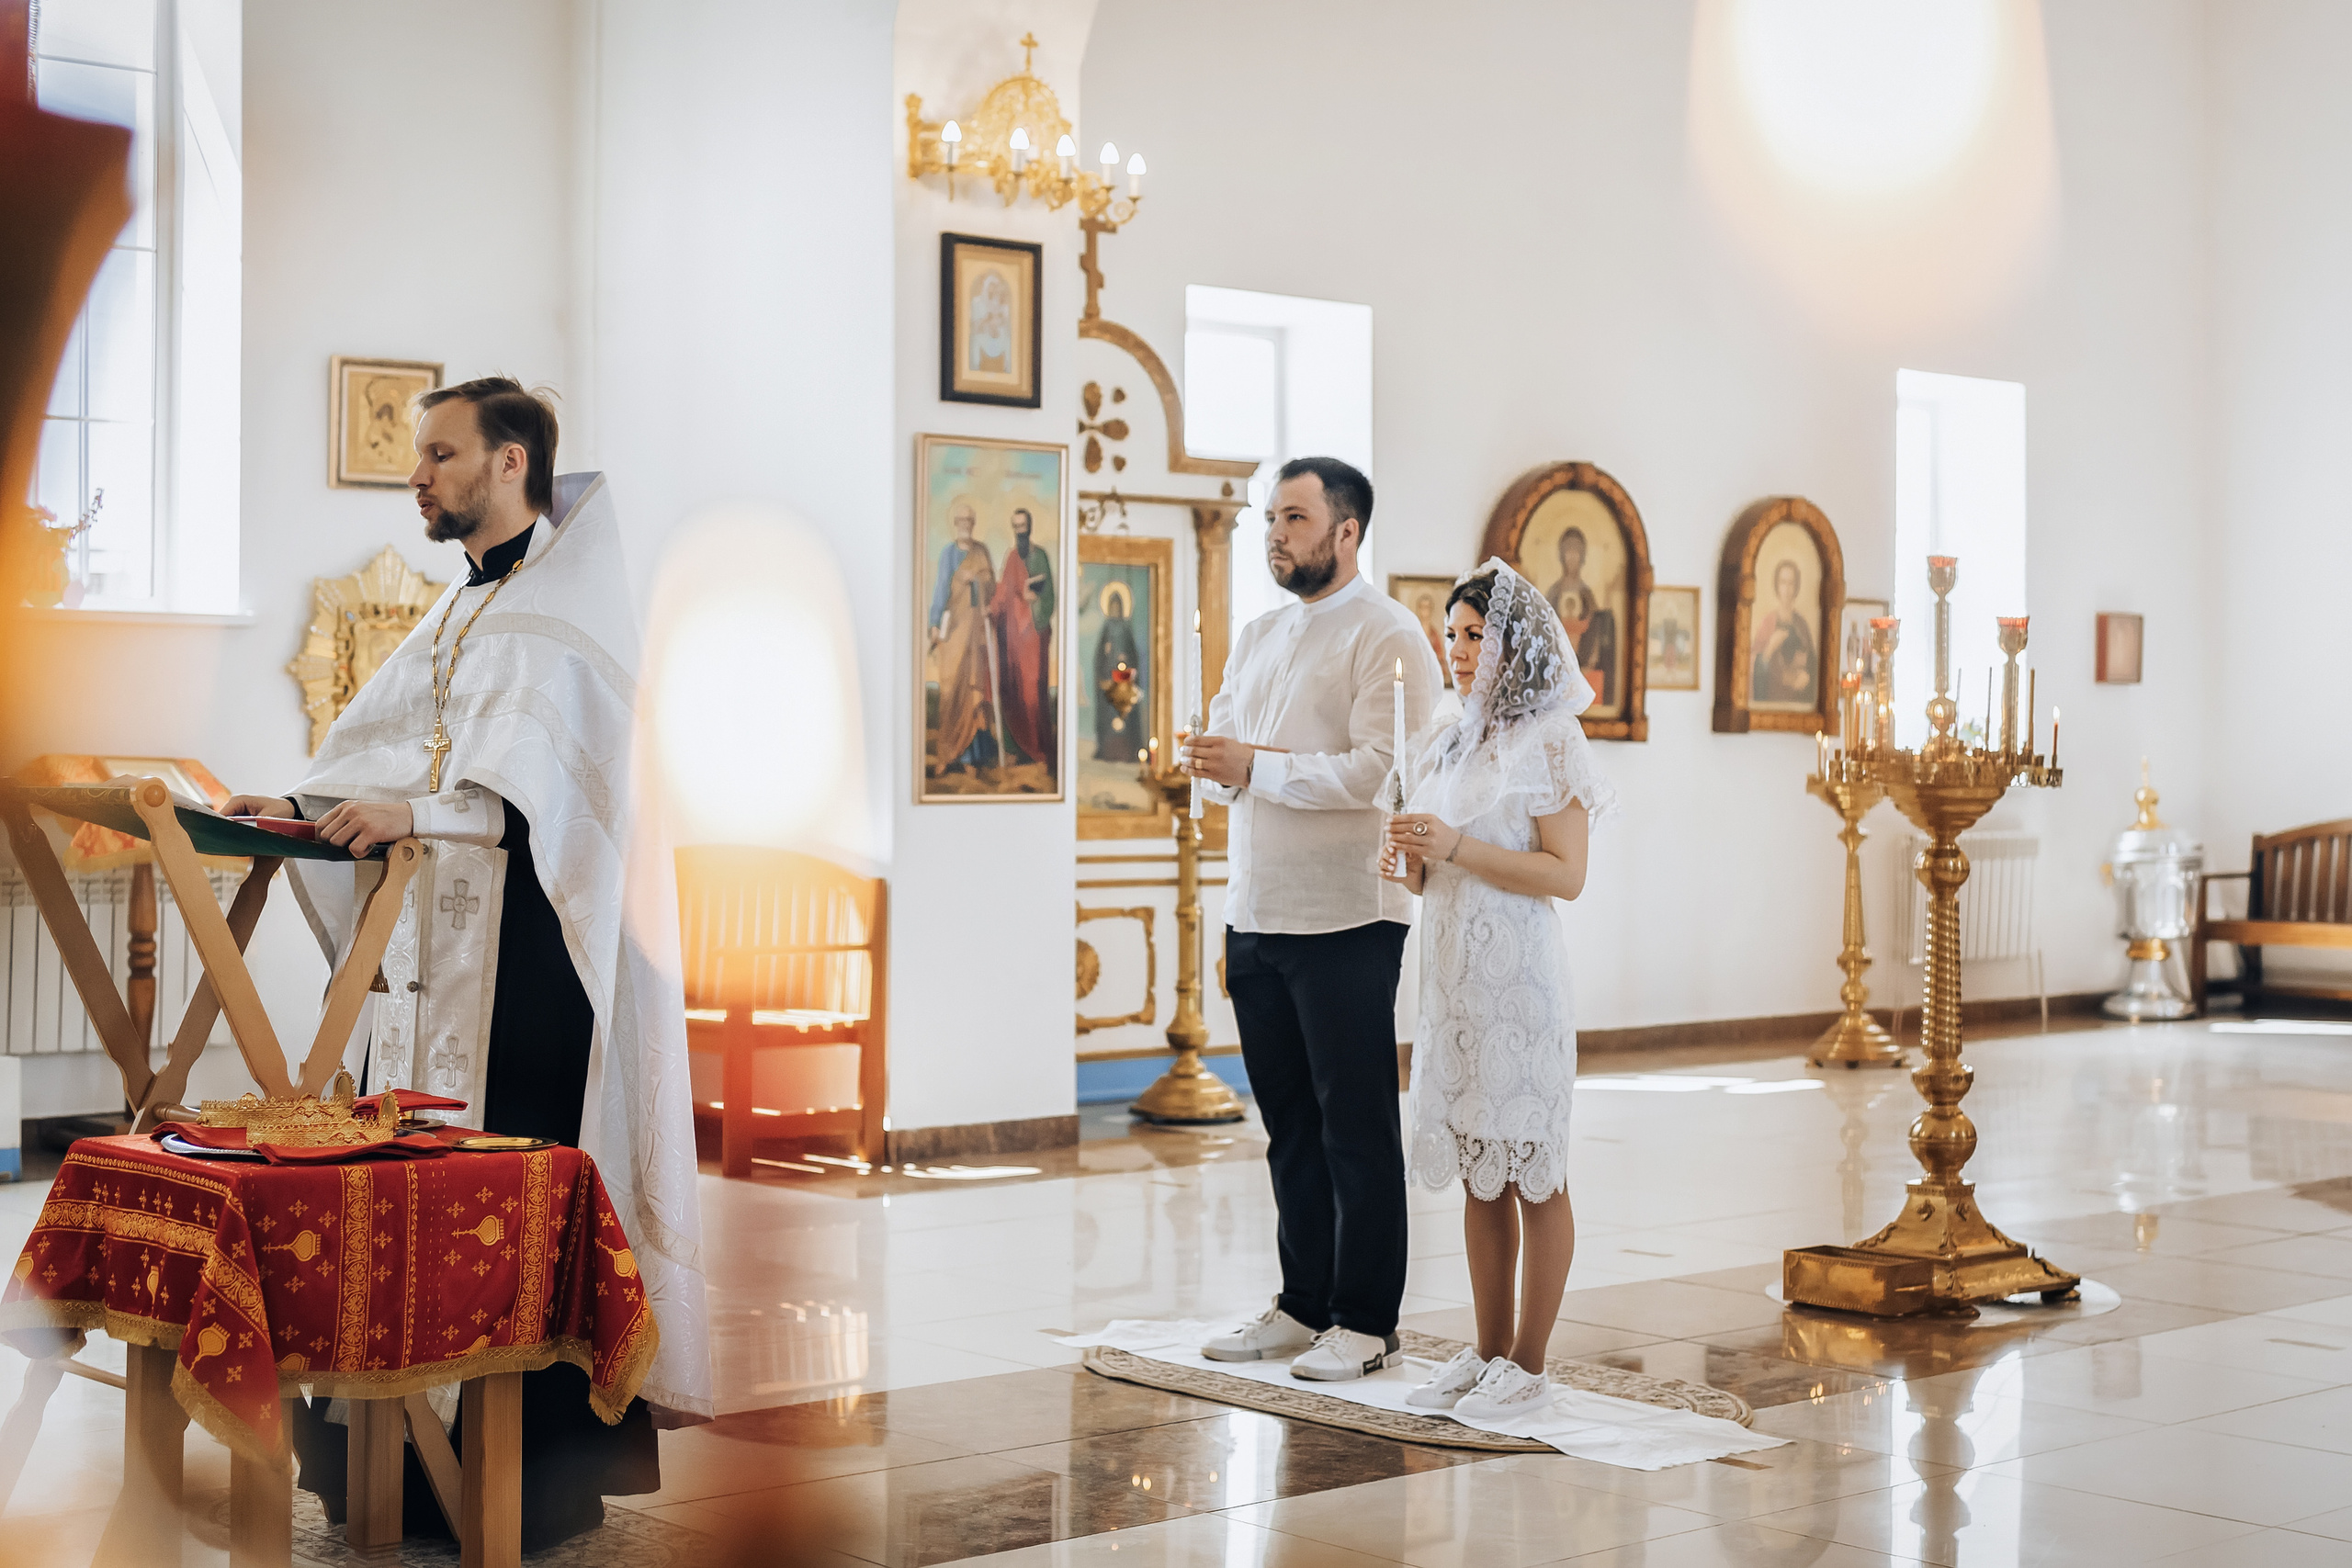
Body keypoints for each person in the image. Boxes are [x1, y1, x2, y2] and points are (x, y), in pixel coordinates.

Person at [222, 377, 709, 1551]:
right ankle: (394, 1464)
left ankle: (522, 1475)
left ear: (509, 464)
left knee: (513, 1211)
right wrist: (294, 804)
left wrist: (423, 815)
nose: (419, 477)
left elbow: (570, 819)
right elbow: (378, 754)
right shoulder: (459, 615)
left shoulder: (575, 623)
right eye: (416, 458)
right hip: (438, 971)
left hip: (536, 975)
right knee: (409, 1190)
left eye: (439, 455)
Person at [1182, 457, 1443, 1382]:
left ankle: (1366, 1321)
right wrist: (1213, 765)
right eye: (1269, 519)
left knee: (1354, 1125)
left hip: (1346, 916)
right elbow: (1227, 762)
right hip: (1256, 912)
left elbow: (1378, 771)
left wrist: (1252, 766)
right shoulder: (1255, 635)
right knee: (1286, 1123)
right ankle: (1301, 1305)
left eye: (1293, 518)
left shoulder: (1390, 636)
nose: (1274, 535)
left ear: (1346, 531)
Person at [1381, 559, 1613, 1420]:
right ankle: (1484, 1352)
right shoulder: (1445, 736)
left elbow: (1568, 872)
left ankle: (1530, 1360)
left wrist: (1453, 848)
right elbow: (1426, 873)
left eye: (1477, 634)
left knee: (1535, 1175)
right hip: (1456, 992)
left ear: (1516, 642)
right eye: (1451, 634)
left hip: (1522, 988)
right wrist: (1407, 862)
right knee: (1482, 1173)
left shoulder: (1552, 739)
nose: (1459, 650)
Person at [928, 498, 1000, 773]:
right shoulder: (948, 553)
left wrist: (978, 579)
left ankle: (972, 758)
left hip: (976, 634)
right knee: (950, 690)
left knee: (973, 692)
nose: (965, 526)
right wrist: (935, 623)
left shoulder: (981, 552)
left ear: (973, 524)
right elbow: (940, 588)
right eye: (961, 521)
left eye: (969, 521)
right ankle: (947, 753)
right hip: (954, 629)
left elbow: (991, 584)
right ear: (955, 524)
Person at [991, 504, 1057, 767]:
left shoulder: (1040, 556)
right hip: (1012, 639)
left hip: (1032, 638)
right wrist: (992, 608)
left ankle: (1037, 749)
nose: (1020, 531)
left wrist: (1032, 603)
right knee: (1011, 690)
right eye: (1016, 527)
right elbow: (1003, 592)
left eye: (1023, 526)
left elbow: (1049, 596)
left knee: (1031, 693)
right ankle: (1015, 749)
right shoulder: (1011, 558)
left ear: (1029, 527)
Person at [1545, 526, 1617, 706]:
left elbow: (1595, 629)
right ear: (1562, 555)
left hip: (1584, 664)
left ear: (1582, 556)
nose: (1572, 557)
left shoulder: (1587, 595)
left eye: (1576, 552)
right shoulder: (1554, 592)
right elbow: (1545, 627)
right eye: (1568, 551)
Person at [1751, 558, 1817, 704]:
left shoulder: (1801, 625)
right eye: (1783, 582)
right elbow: (1754, 667)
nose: (1787, 589)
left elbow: (1813, 667)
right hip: (1773, 700)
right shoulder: (1768, 623)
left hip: (1797, 704)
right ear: (1777, 586)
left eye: (1791, 583)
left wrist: (1806, 676)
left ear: (1796, 587)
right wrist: (1769, 648)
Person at [1093, 581, 1144, 763]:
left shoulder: (1126, 629)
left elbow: (1132, 656)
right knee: (1109, 717)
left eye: (1117, 607)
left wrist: (1126, 664)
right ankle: (1107, 751)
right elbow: (1100, 656)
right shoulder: (1106, 629)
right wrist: (1103, 676)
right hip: (1109, 680)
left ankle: (1128, 752)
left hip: (1125, 682)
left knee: (1125, 717)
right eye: (1112, 606)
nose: (1115, 610)